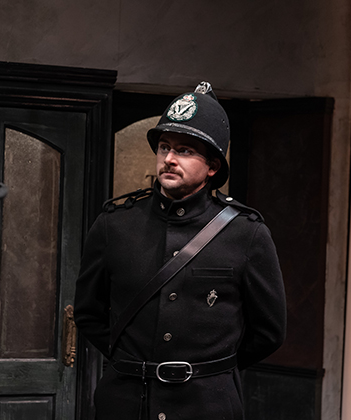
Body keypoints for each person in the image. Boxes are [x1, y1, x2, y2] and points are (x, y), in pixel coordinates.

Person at [74, 82, 287, 420]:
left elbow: (269, 332)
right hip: (125, 405)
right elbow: (88, 312)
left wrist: (209, 373)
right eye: (164, 147)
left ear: (213, 166)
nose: (169, 159)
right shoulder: (114, 224)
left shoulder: (247, 233)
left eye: (185, 151)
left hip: (207, 407)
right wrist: (133, 362)